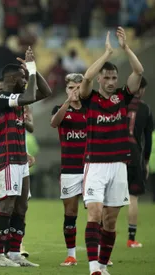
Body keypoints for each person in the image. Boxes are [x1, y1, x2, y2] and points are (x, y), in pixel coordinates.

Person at [78, 27, 144, 275]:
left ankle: (103, 266)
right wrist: (106, 54)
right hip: (95, 164)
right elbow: (85, 78)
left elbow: (139, 71)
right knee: (94, 213)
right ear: (100, 80)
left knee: (111, 221)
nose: (110, 82)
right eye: (106, 78)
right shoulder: (90, 98)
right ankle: (94, 267)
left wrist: (126, 49)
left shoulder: (122, 98)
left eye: (113, 78)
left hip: (118, 165)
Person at [0, 46, 52, 267]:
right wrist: (31, 69)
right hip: (6, 159)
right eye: (23, 78)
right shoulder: (0, 98)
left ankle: (15, 253)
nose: (25, 80)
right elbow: (30, 95)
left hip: (20, 159)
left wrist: (34, 71)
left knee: (22, 206)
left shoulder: (17, 97)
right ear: (13, 79)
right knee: (6, 206)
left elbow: (45, 93)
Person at [50, 73, 86, 266]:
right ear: (66, 89)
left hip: (91, 167)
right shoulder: (60, 108)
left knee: (98, 211)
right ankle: (71, 255)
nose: (75, 91)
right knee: (70, 212)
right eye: (71, 87)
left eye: (78, 87)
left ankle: (100, 254)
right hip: (70, 169)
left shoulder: (91, 108)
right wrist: (67, 103)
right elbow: (54, 123)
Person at [126, 77, 153, 248]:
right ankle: (131, 238)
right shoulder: (145, 109)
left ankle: (99, 236)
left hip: (114, 154)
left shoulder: (119, 104)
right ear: (141, 89)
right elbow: (148, 139)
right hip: (135, 156)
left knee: (106, 199)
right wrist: (146, 161)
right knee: (133, 197)